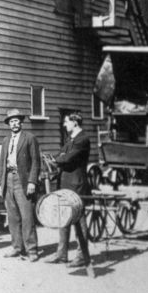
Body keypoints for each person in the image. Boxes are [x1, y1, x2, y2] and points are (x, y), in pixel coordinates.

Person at [46, 112, 93, 273]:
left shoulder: (82, 139)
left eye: (66, 122)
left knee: (79, 221)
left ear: (74, 122)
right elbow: (61, 155)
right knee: (63, 219)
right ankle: (62, 253)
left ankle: (81, 256)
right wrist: (59, 157)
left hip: (76, 186)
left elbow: (66, 159)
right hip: (65, 185)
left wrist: (58, 159)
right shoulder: (70, 140)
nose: (64, 125)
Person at [0, 108, 41, 261]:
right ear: (8, 124)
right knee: (13, 216)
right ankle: (17, 247)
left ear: (21, 122)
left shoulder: (29, 138)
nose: (14, 124)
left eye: (16, 121)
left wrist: (32, 181)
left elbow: (36, 161)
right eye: (11, 121)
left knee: (27, 216)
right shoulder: (6, 140)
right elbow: (2, 162)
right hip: (8, 179)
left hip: (23, 181)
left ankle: (32, 249)